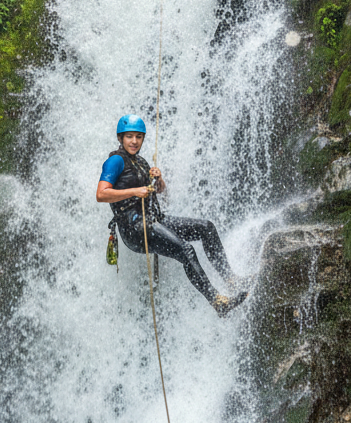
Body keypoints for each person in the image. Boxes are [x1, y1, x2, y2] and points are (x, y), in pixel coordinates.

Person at [96, 114, 250, 315]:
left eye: (139, 137)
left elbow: (160, 193)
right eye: (129, 136)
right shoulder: (115, 161)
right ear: (120, 138)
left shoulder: (141, 162)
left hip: (153, 219)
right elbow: (101, 194)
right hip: (135, 228)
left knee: (206, 228)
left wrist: (159, 180)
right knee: (185, 250)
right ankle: (217, 301)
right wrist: (134, 191)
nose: (134, 141)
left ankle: (231, 279)